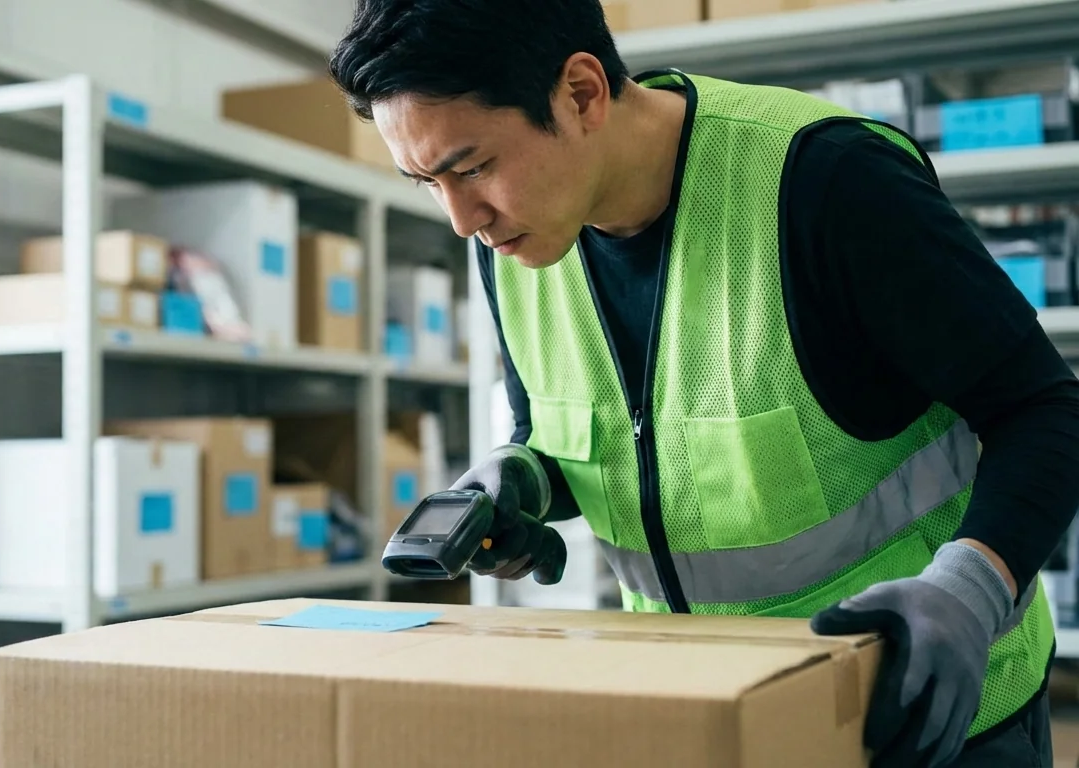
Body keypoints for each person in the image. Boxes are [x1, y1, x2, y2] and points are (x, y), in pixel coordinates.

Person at [330, 1, 1079, 766]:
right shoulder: (512, 241)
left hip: (923, 713)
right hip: (712, 720)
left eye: (471, 167)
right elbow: (595, 432)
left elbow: (1045, 407)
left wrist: (974, 589)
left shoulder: (826, 184)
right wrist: (524, 479)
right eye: (425, 180)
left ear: (582, 94)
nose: (460, 219)